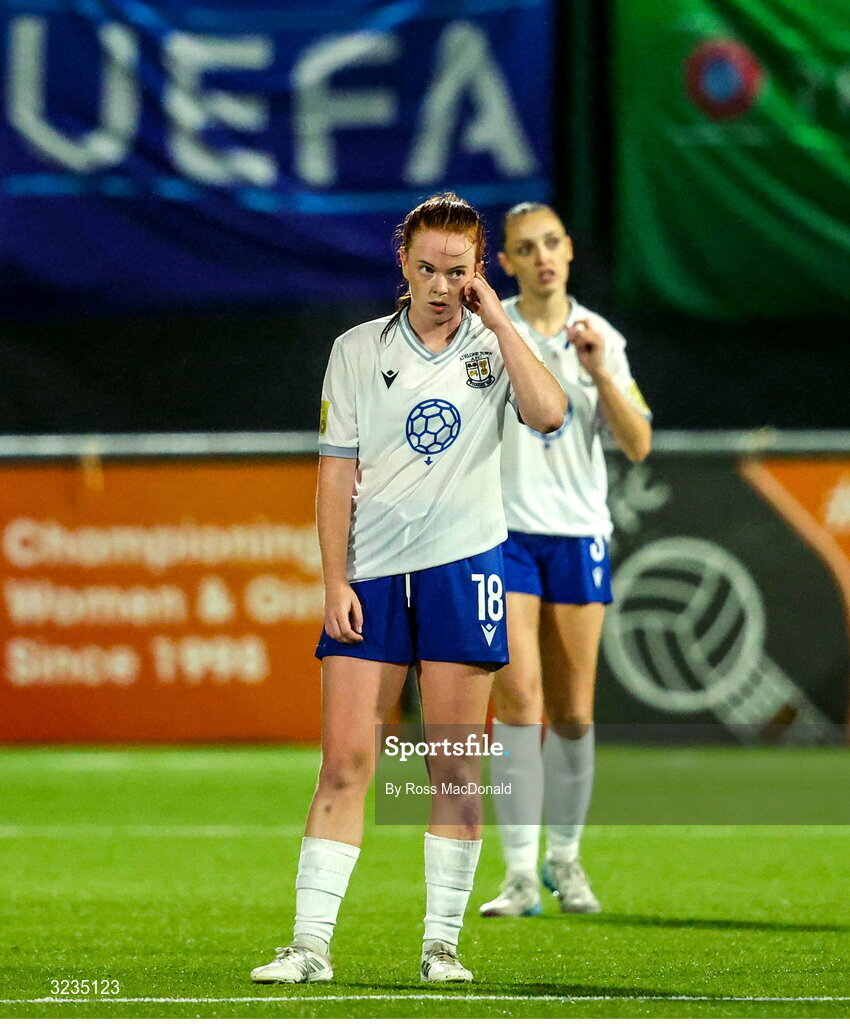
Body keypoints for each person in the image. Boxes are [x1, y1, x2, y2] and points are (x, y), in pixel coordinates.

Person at [250, 193, 565, 984]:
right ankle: (310, 946)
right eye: (425, 266)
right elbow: (335, 474)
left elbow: (551, 413)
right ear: (402, 262)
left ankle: (441, 947)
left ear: (477, 271)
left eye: (455, 270)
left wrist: (501, 323)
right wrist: (334, 581)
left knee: (454, 767)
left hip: (466, 571)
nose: (437, 282)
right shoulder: (357, 350)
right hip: (375, 578)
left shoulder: (498, 345)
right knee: (346, 761)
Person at [479, 203, 652, 918]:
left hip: (577, 534)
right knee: (520, 700)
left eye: (552, 242)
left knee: (575, 710)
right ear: (507, 264)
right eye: (526, 248)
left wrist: (598, 374)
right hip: (504, 533)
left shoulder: (600, 338)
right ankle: (519, 875)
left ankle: (565, 860)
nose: (542, 256)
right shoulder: (490, 335)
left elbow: (639, 443)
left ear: (570, 250)